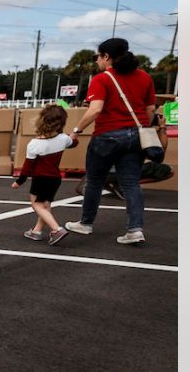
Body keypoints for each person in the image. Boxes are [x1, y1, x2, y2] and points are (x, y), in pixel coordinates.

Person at [64, 38, 156, 245]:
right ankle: (135, 229)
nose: (97, 60)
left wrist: (76, 131)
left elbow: (95, 109)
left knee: (95, 180)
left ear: (107, 57)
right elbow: (150, 110)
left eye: (98, 56)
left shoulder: (102, 79)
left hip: (108, 135)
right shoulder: (144, 77)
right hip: (136, 135)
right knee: (131, 183)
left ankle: (86, 223)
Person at [12, 105, 77, 245]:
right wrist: (74, 133)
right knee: (45, 205)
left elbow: (27, 167)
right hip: (55, 179)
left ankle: (56, 229)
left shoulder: (35, 144)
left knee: (37, 205)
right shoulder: (63, 139)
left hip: (40, 179)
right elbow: (74, 143)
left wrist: (19, 182)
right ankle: (37, 231)